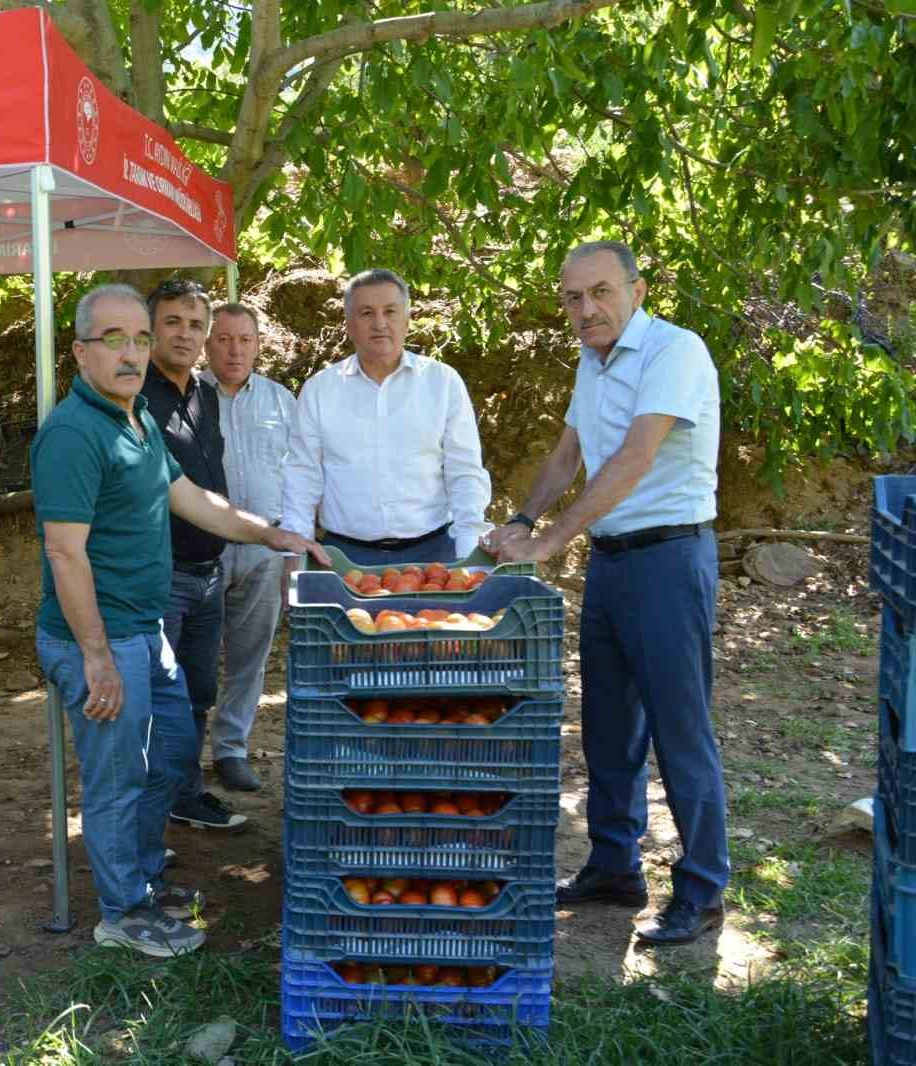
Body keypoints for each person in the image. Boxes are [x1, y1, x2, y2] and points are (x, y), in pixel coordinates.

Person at [32, 283, 325, 956]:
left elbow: (197, 501)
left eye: (139, 338)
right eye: (114, 340)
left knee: (164, 763)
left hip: (145, 635)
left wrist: (273, 534)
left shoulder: (133, 423)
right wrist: (97, 658)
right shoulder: (74, 434)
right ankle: (121, 913)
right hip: (100, 639)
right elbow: (64, 552)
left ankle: (144, 877)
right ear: (80, 352)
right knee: (115, 779)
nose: (131, 353)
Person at [485, 240, 728, 946]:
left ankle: (704, 887)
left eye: (600, 292)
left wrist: (551, 542)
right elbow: (569, 454)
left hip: (670, 558)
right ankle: (615, 865)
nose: (586, 309)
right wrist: (524, 518)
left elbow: (634, 457)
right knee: (609, 726)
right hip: (614, 564)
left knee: (681, 732)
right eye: (572, 298)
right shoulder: (591, 362)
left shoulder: (675, 353)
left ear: (637, 289)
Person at [281, 269, 491, 566]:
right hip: (343, 557)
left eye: (390, 311)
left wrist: (469, 553)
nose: (380, 323)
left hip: (435, 555)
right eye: (366, 313)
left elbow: (465, 472)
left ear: (406, 320)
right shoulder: (320, 390)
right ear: (349, 325)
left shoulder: (442, 382)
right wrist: (295, 551)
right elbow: (302, 477)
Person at [138, 278, 247, 831]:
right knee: (162, 700)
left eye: (195, 324)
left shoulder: (205, 394)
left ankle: (186, 793)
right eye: (174, 322)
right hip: (163, 575)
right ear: (151, 328)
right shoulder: (135, 396)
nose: (186, 334)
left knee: (199, 692)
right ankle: (148, 813)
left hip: (210, 573)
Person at [199, 302, 295, 793]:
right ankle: (183, 752)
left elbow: (303, 479)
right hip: (200, 549)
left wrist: (294, 555)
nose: (235, 349)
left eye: (245, 340)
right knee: (191, 658)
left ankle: (231, 750)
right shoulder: (188, 399)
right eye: (223, 339)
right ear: (207, 344)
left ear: (258, 344)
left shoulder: (282, 402)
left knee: (248, 657)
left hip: (265, 549)